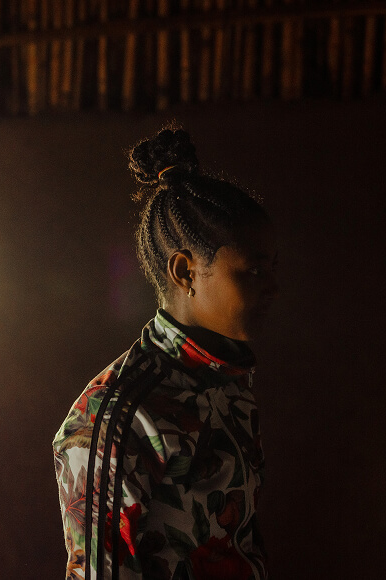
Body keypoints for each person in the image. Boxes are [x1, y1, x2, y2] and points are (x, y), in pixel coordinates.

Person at [53, 125, 278, 580]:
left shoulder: (227, 383)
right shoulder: (118, 414)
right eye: (252, 272)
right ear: (186, 272)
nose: (273, 287)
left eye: (273, 268)